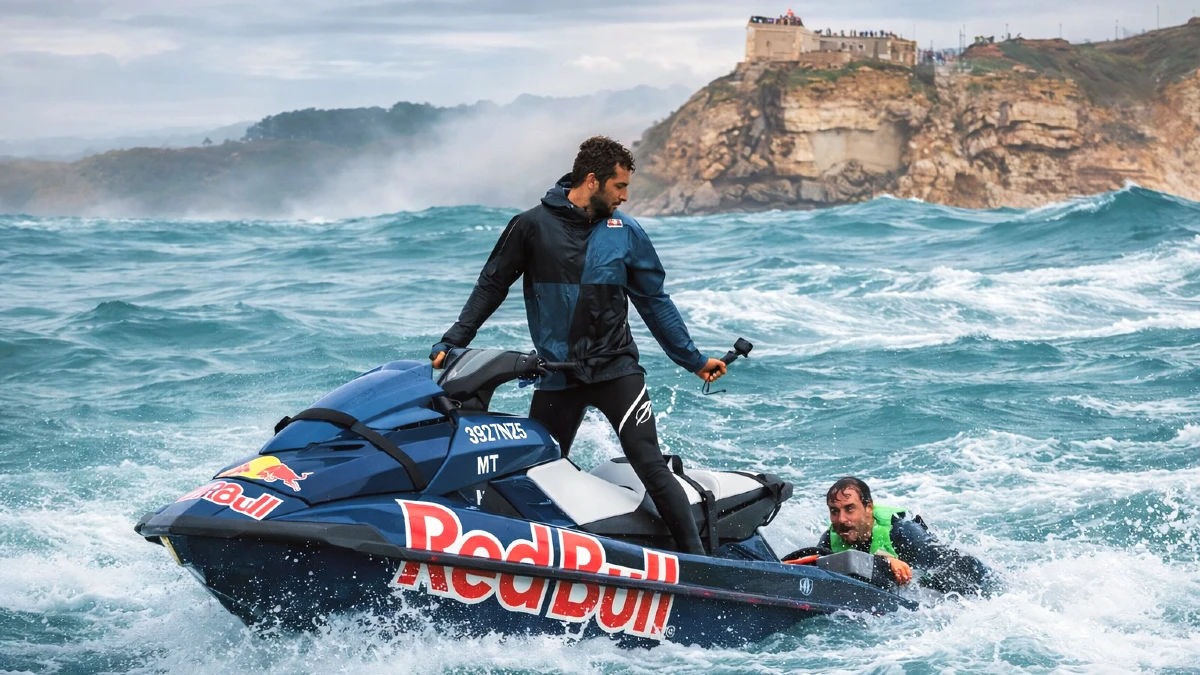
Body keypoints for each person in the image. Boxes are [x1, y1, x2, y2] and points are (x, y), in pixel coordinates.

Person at [429, 136, 727, 556]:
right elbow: (492, 285)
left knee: (650, 463)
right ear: (592, 180)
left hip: (616, 370)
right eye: (619, 187)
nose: (624, 197)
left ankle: (700, 564)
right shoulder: (530, 225)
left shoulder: (626, 233)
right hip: (556, 375)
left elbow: (654, 301)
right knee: (538, 469)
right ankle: (540, 556)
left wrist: (692, 360)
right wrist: (454, 340)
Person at [787, 477, 1003, 596]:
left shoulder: (903, 533)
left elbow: (952, 566)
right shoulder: (830, 539)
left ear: (868, 509)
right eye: (834, 511)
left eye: (849, 509)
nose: (841, 519)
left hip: (964, 583)